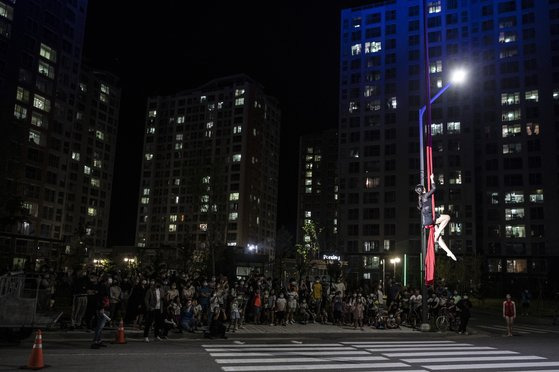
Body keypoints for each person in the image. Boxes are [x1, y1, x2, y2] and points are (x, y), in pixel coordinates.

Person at [416, 174, 456, 261]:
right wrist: (432, 179)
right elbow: (434, 189)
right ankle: (437, 232)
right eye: (424, 187)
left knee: (439, 239)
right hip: (431, 219)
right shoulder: (425, 195)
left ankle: (449, 252)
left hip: (427, 222)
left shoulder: (421, 199)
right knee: (447, 217)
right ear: (423, 189)